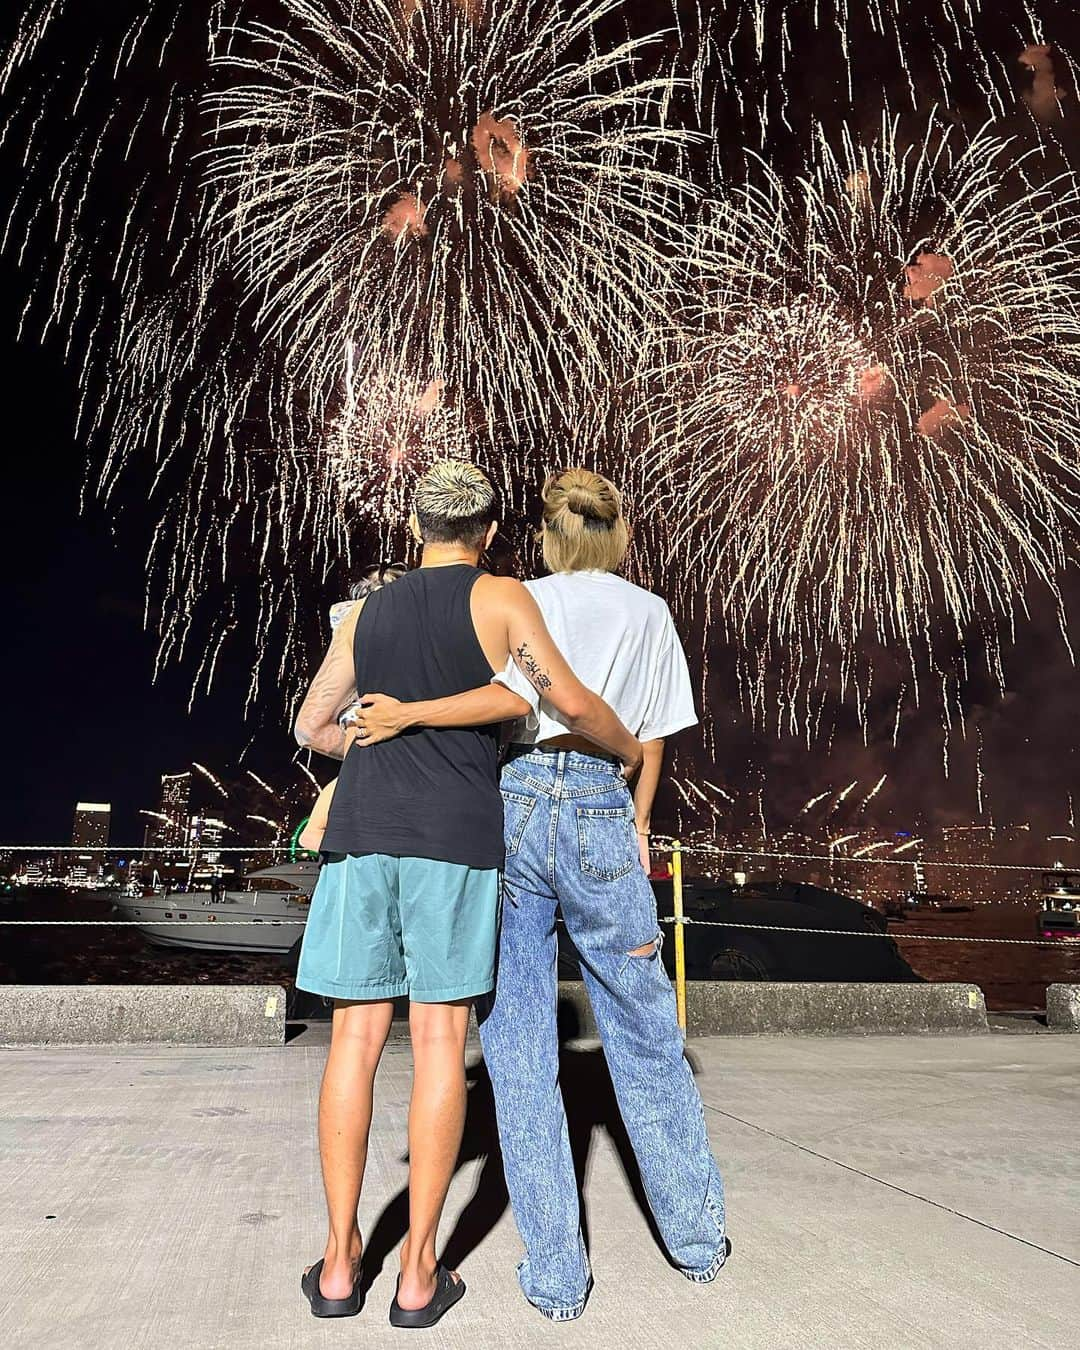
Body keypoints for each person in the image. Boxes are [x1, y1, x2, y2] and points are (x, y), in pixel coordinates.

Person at [353, 468, 728, 1321]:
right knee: (645, 1037)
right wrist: (632, 825)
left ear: (550, 536)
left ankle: (558, 1278)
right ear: (617, 534)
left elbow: (496, 706)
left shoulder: (512, 598)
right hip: (602, 800)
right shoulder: (649, 611)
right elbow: (652, 741)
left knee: (519, 1050)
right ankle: (696, 1242)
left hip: (514, 800)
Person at [291, 460, 641, 1328]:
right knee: (442, 1039)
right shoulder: (500, 596)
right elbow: (561, 698)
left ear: (415, 529)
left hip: (362, 835)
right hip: (453, 838)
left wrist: (380, 737)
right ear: (488, 533)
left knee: (354, 1039)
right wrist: (628, 751)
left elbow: (312, 727)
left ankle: (339, 1268)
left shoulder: (366, 612)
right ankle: (417, 1275)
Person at [299, 565, 406, 854]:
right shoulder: (363, 620)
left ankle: (321, 830)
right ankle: (315, 830)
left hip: (362, 711)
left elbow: (307, 730)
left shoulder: (354, 622)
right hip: (364, 710)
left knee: (351, 777)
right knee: (351, 778)